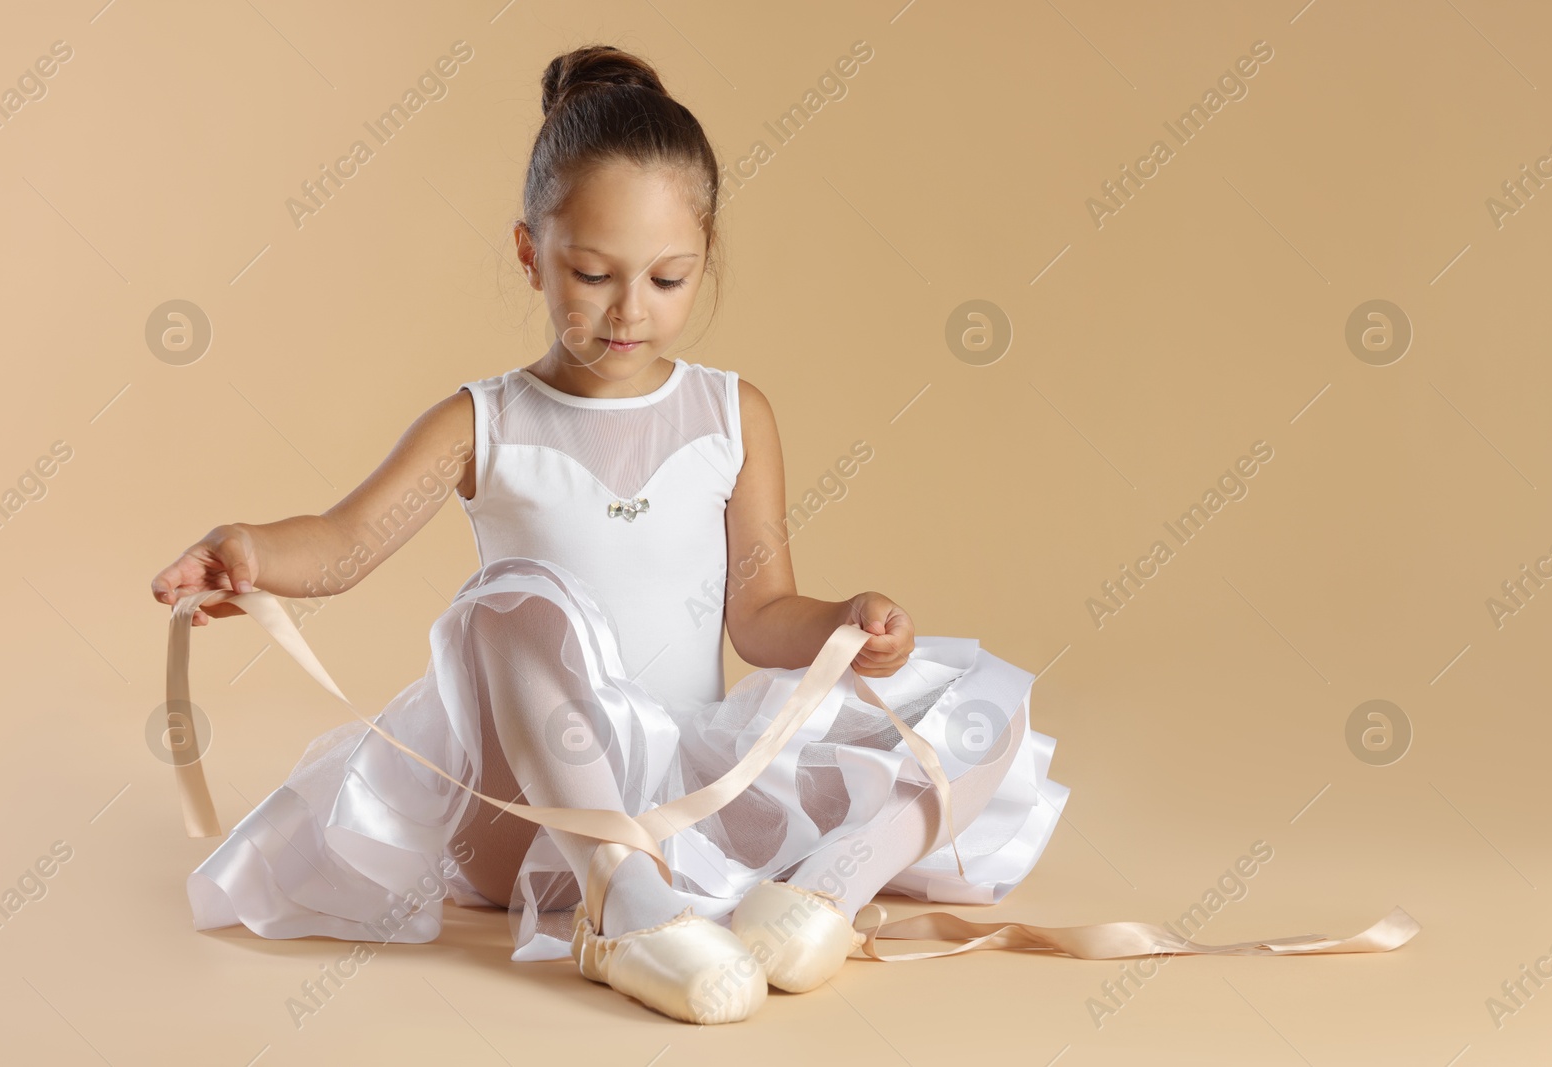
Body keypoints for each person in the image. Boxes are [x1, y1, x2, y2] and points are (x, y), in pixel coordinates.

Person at [151, 43, 1069, 1025]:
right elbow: (340, 542)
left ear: (703, 257)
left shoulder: (731, 414)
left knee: (986, 700)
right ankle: (623, 911)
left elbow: (759, 617)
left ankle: (813, 901)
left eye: (668, 278)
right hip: (531, 817)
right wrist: (245, 548)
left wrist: (847, 621)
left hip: (691, 794)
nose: (630, 309)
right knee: (507, 605)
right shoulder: (485, 422)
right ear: (529, 253)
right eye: (591, 274)